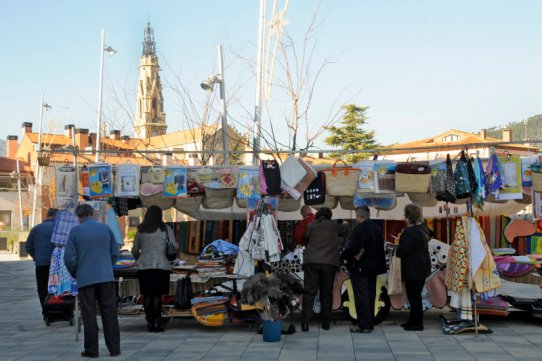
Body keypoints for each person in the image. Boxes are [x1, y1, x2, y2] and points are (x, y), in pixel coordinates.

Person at [64, 204, 121, 358]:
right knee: (109, 312)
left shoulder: (75, 232)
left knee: (88, 314)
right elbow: (115, 252)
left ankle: (92, 349)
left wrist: (77, 272)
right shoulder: (105, 229)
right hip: (105, 276)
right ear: (92, 213)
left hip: (85, 278)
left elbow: (69, 259)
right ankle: (114, 348)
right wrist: (108, 266)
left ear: (79, 216)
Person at [131, 205, 177, 333]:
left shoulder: (141, 230)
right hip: (161, 265)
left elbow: (135, 250)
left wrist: (140, 257)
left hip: (144, 266)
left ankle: (149, 321)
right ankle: (157, 322)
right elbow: (173, 246)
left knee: (147, 294)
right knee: (157, 295)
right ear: (160, 215)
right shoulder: (166, 229)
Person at [341, 206, 386, 333]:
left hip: (361, 266)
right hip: (374, 267)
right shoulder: (376, 228)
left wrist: (343, 255)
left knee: (361, 295)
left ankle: (364, 324)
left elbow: (353, 247)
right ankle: (369, 322)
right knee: (371, 294)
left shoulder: (361, 228)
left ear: (358, 216)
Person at [301, 207, 340, 332]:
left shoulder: (311, 224)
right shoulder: (334, 225)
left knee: (309, 292)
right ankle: (326, 323)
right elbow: (346, 230)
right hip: (329, 263)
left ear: (318, 215)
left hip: (311, 261)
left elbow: (306, 239)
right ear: (329, 215)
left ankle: (305, 323)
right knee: (326, 293)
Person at [395, 203, 431, 331]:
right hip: (422, 267)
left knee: (414, 297)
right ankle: (412, 320)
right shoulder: (423, 229)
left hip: (413, 269)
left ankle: (417, 323)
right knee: (415, 297)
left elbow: (401, 251)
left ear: (408, 217)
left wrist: (397, 248)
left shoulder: (409, 232)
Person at [25, 208, 58, 319]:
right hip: (57, 265)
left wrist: (36, 257)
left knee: (42, 288)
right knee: (57, 287)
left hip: (41, 264)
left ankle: (46, 312)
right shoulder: (59, 228)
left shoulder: (36, 229)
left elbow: (28, 247)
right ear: (57, 216)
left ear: (47, 215)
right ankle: (59, 309)